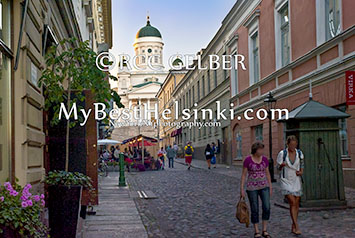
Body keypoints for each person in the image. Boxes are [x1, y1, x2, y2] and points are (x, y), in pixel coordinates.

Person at [240, 142, 272, 238]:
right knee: (255, 208)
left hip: (264, 186)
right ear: (255, 150)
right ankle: (257, 230)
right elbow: (244, 175)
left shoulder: (265, 160)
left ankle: (265, 229)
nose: (262, 151)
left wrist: (270, 186)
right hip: (252, 187)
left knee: (267, 207)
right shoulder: (248, 160)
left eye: (263, 149)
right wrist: (241, 188)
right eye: (260, 149)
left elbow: (267, 173)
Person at [276, 135, 304, 235]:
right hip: (286, 179)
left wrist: (301, 172)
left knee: (296, 203)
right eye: (291, 145)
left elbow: (302, 165)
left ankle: (293, 225)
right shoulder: (282, 154)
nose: (293, 146)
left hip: (296, 179)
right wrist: (281, 166)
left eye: (294, 144)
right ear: (287, 144)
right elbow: (277, 168)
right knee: (292, 202)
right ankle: (296, 225)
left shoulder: (299, 153)